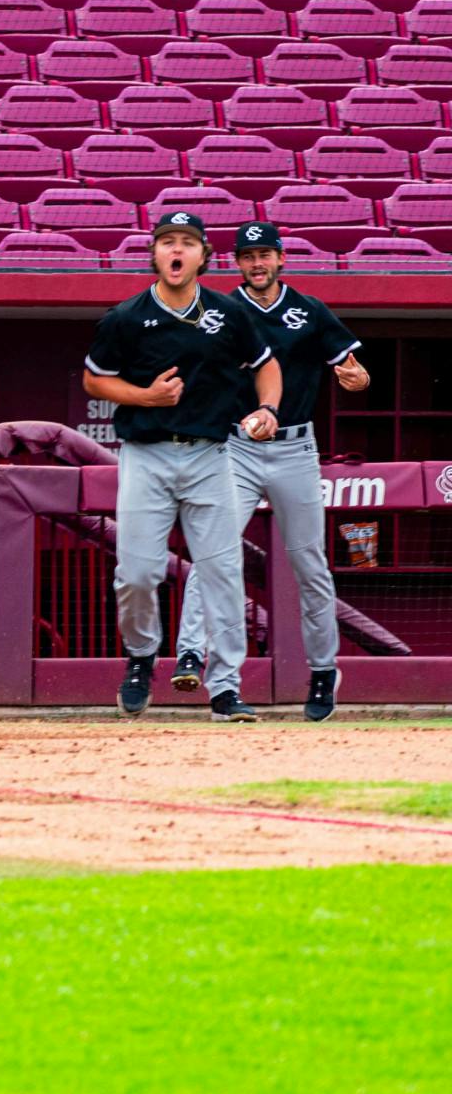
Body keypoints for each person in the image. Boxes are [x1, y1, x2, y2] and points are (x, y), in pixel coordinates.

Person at [83, 211, 281, 722]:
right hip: (146, 455)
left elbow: (266, 366)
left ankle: (225, 687)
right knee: (137, 573)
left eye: (187, 243)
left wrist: (268, 408)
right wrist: (144, 397)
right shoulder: (126, 317)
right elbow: (94, 380)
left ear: (202, 256)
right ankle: (141, 656)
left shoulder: (228, 313)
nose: (176, 250)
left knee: (222, 573)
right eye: (167, 241)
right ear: (154, 253)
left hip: (211, 455)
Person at [172, 221, 369, 722]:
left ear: (280, 258)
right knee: (214, 551)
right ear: (235, 262)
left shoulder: (308, 310)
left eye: (265, 254)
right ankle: (193, 655)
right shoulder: (220, 313)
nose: (257, 263)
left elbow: (354, 368)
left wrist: (356, 377)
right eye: (247, 256)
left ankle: (324, 671)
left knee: (310, 564)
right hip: (237, 446)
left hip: (296, 447)